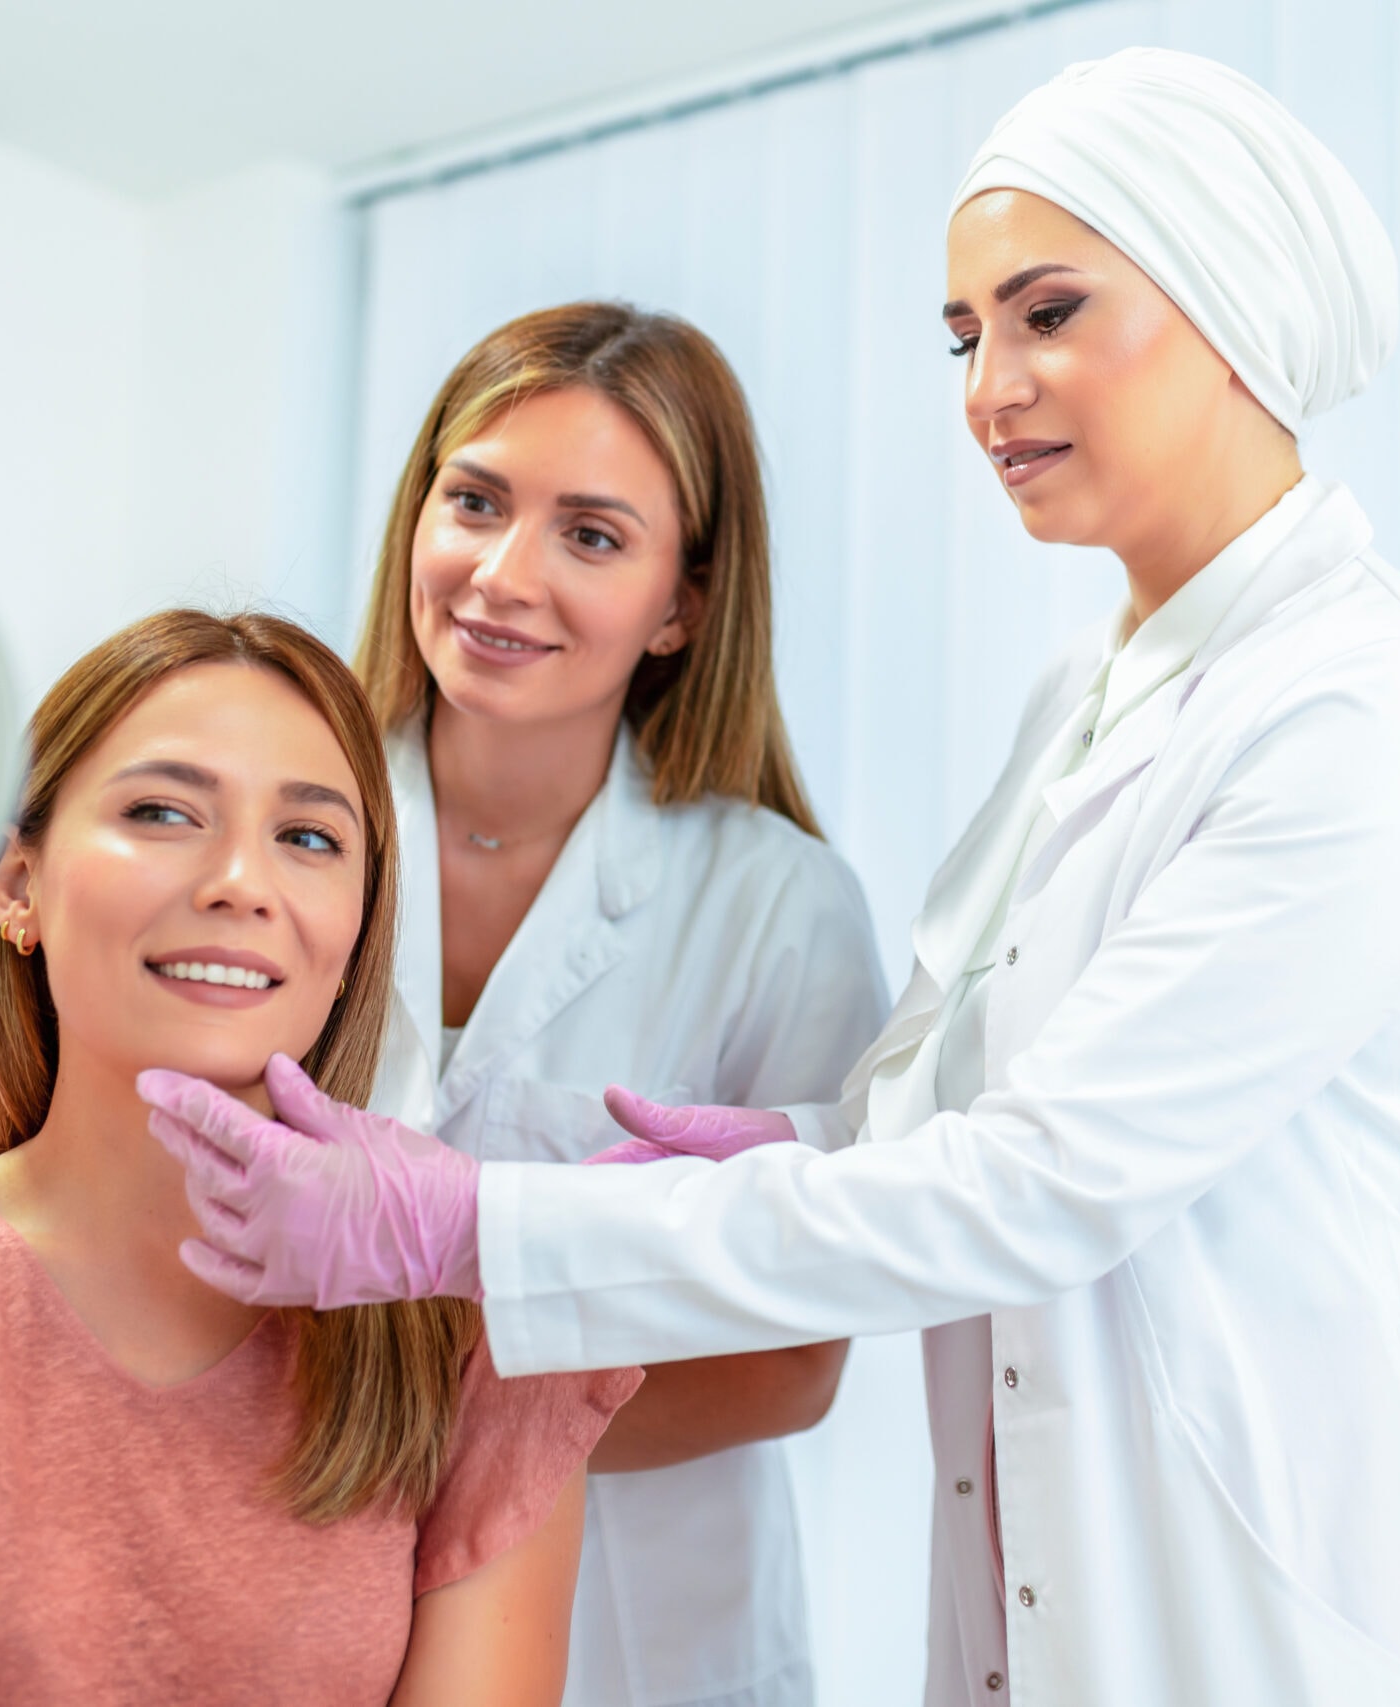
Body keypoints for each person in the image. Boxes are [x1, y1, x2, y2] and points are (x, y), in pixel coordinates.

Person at [143, 47, 1400, 1707]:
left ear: (1232, 301)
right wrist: (818, 1140)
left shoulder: (1363, 709)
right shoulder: (1092, 699)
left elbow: (1048, 1180)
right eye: (966, 334)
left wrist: (469, 1223)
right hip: (1054, 1598)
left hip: (1293, 1616)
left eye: (1049, 313)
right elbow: (984, 1111)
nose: (990, 388)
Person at [0, 610, 640, 1707]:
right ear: (17, 887)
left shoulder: (471, 1356)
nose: (240, 881)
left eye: (311, 838)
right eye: (162, 812)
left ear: (358, 934)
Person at [354, 302, 890, 1707]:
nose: (502, 575)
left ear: (682, 605)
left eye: (591, 535)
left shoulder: (778, 906)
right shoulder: (291, 833)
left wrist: (405, 1441)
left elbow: (788, 1364)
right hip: (301, 1608)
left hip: (643, 1643)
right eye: (472, 501)